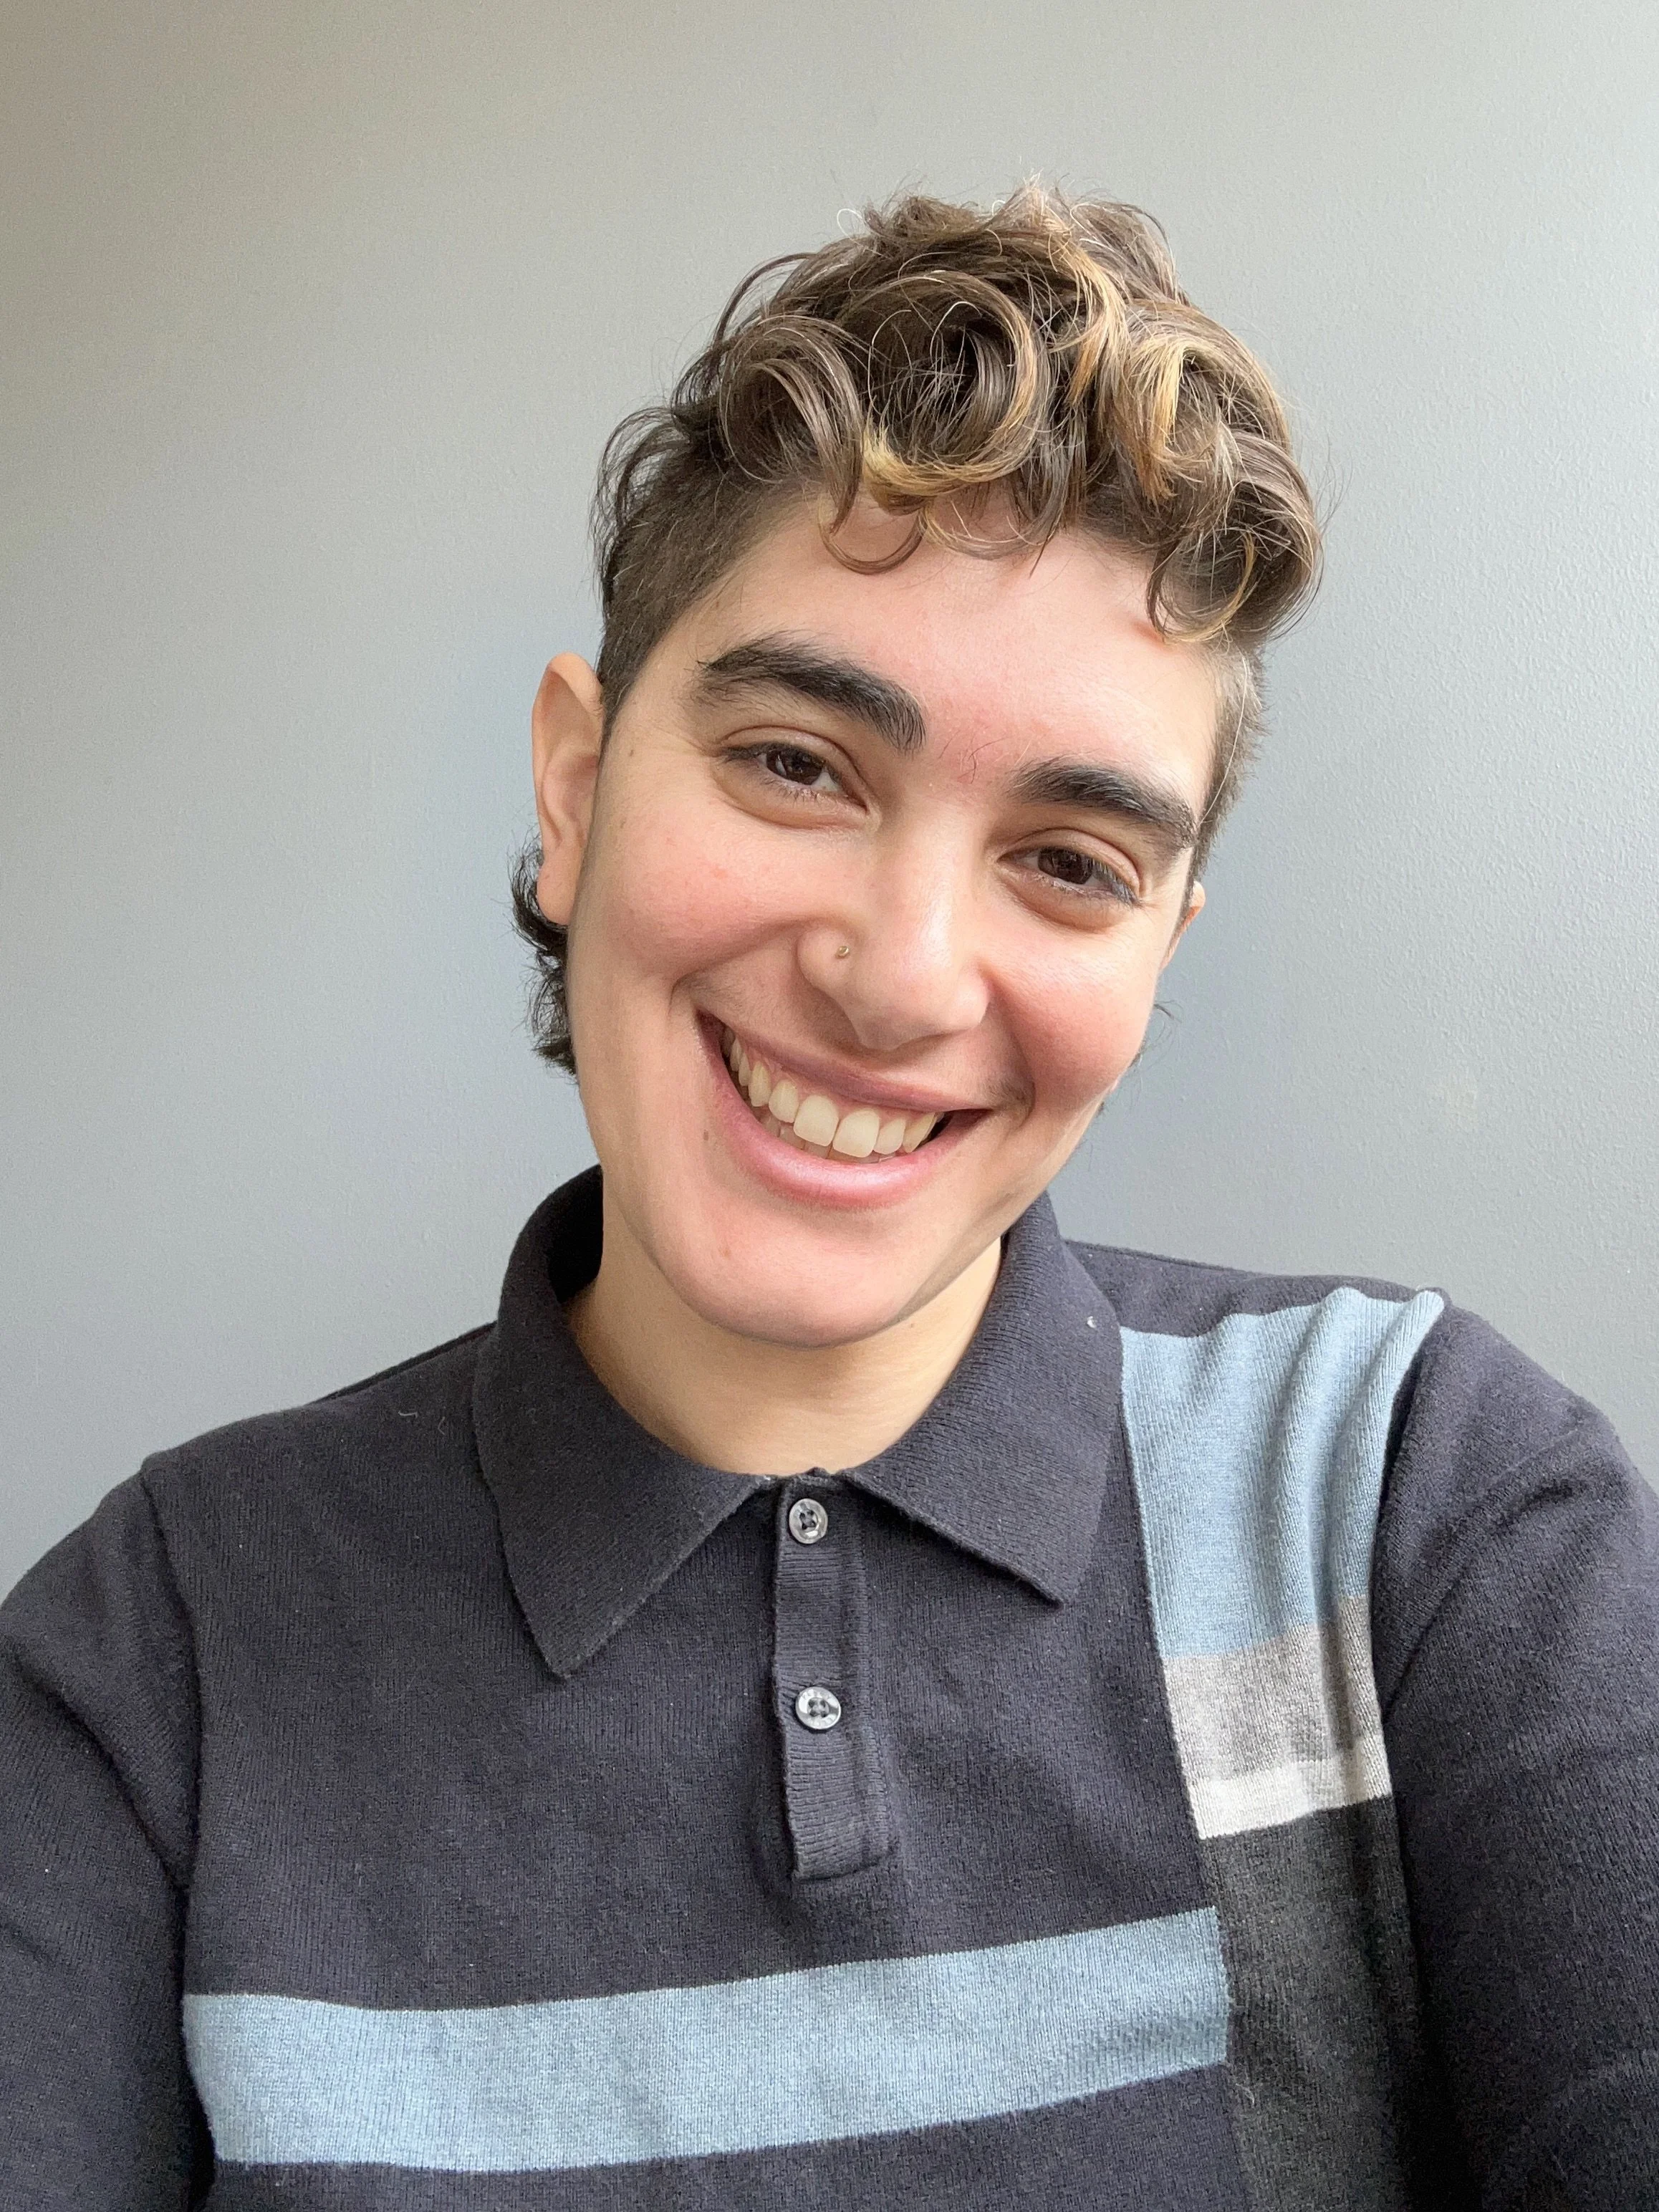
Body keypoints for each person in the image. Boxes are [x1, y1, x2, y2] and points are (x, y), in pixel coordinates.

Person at [2, 184, 1655, 2212]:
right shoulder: (157, 1653)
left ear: (1159, 948)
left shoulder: (1416, 1506)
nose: (896, 973)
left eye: (1068, 858)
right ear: (576, 792)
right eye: (798, 763)